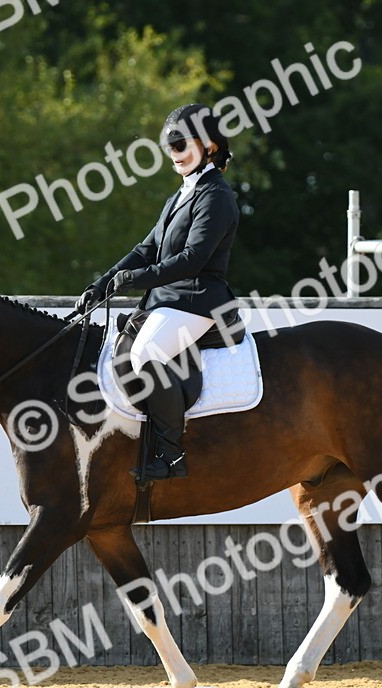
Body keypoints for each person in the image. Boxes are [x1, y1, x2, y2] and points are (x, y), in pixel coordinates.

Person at [77, 103, 240, 480]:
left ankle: (172, 455)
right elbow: (145, 248)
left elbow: (193, 258)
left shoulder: (216, 196)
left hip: (199, 299)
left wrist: (138, 279)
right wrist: (104, 283)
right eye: (170, 147)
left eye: (181, 144)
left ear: (210, 146)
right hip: (169, 299)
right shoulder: (181, 195)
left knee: (147, 351)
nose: (175, 155)